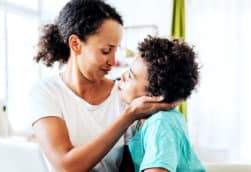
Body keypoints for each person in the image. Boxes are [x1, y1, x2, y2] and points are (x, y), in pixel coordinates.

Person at [29, 0, 176, 171]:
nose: (113, 61)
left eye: (116, 50)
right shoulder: (45, 93)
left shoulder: (124, 93)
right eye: (106, 51)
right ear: (75, 44)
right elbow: (66, 166)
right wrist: (128, 116)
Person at [118, 36, 206, 172]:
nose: (122, 76)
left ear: (155, 96)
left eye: (130, 75)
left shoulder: (161, 122)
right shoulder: (144, 120)